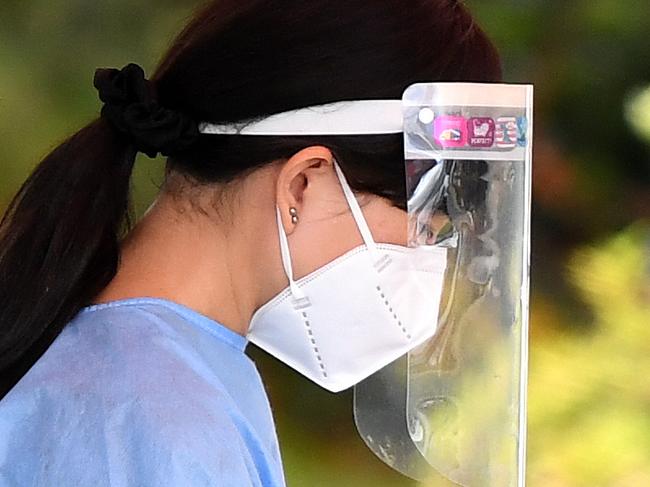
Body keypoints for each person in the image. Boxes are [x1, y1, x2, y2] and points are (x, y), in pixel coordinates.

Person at [0, 0, 502, 485]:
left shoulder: (149, 372)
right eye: (424, 229)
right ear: (303, 183)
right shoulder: (156, 414)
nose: (428, 261)